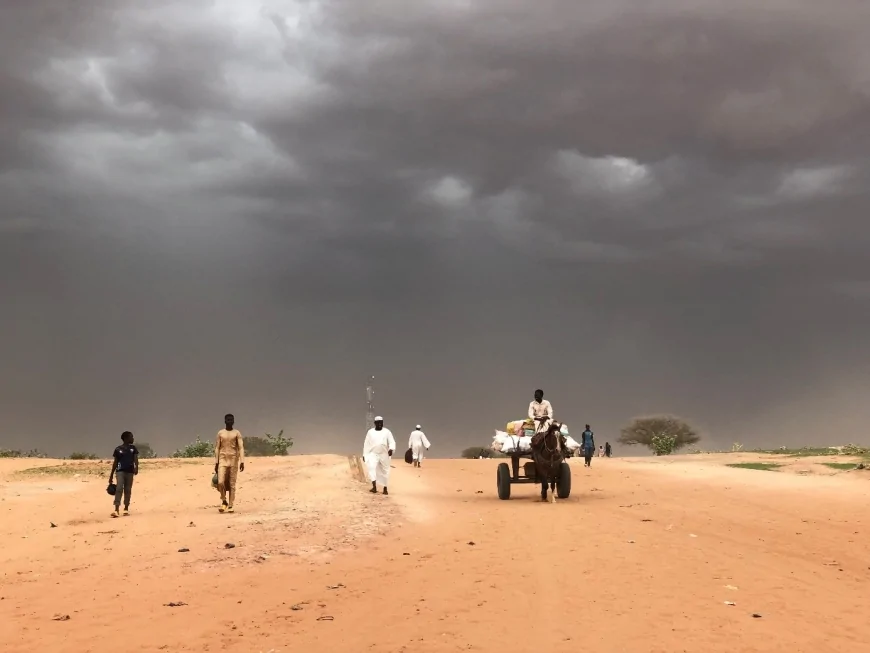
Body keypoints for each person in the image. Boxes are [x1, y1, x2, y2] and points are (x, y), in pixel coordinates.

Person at [214, 414, 245, 513]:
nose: (229, 421)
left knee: (232, 484)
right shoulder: (220, 433)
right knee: (220, 482)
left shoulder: (237, 433)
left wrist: (242, 461)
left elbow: (240, 447)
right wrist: (216, 462)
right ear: (225, 421)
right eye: (228, 419)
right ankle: (224, 501)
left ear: (233, 421)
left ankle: (231, 504)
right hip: (223, 459)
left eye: (231, 419)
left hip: (233, 459)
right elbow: (217, 447)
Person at [363, 416, 396, 495]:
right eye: (378, 422)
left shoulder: (387, 432)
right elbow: (366, 444)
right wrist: (365, 454)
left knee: (385, 470)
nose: (380, 424)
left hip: (384, 454)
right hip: (373, 454)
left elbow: (392, 441)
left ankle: (385, 488)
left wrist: (391, 449)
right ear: (375, 423)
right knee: (371, 468)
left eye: (381, 422)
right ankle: (374, 487)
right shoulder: (370, 432)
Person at [109, 431, 139, 518]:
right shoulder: (118, 449)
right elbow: (115, 462)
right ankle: (116, 509)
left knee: (127, 490)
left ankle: (126, 508)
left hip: (130, 471)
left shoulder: (133, 448)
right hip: (120, 471)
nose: (133, 439)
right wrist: (111, 475)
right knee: (119, 488)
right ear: (126, 438)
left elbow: (135, 459)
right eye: (131, 437)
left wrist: (136, 467)